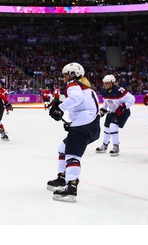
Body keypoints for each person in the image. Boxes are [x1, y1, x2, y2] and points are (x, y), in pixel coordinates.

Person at [47, 62, 100, 203]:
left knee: (72, 154)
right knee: (63, 149)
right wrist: (73, 123)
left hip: (85, 124)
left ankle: (71, 188)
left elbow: (76, 99)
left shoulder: (73, 84)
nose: (64, 77)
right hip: (89, 124)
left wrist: (60, 108)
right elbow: (83, 106)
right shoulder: (84, 87)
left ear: (72, 74)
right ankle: (62, 178)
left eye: (66, 74)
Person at [95, 74, 135, 156]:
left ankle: (116, 146)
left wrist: (123, 107)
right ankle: (105, 145)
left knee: (113, 126)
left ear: (112, 83)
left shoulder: (119, 90)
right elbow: (106, 102)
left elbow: (132, 99)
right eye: (104, 83)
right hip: (112, 111)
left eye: (107, 83)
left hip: (123, 112)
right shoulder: (104, 91)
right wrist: (103, 109)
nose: (105, 85)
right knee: (106, 128)